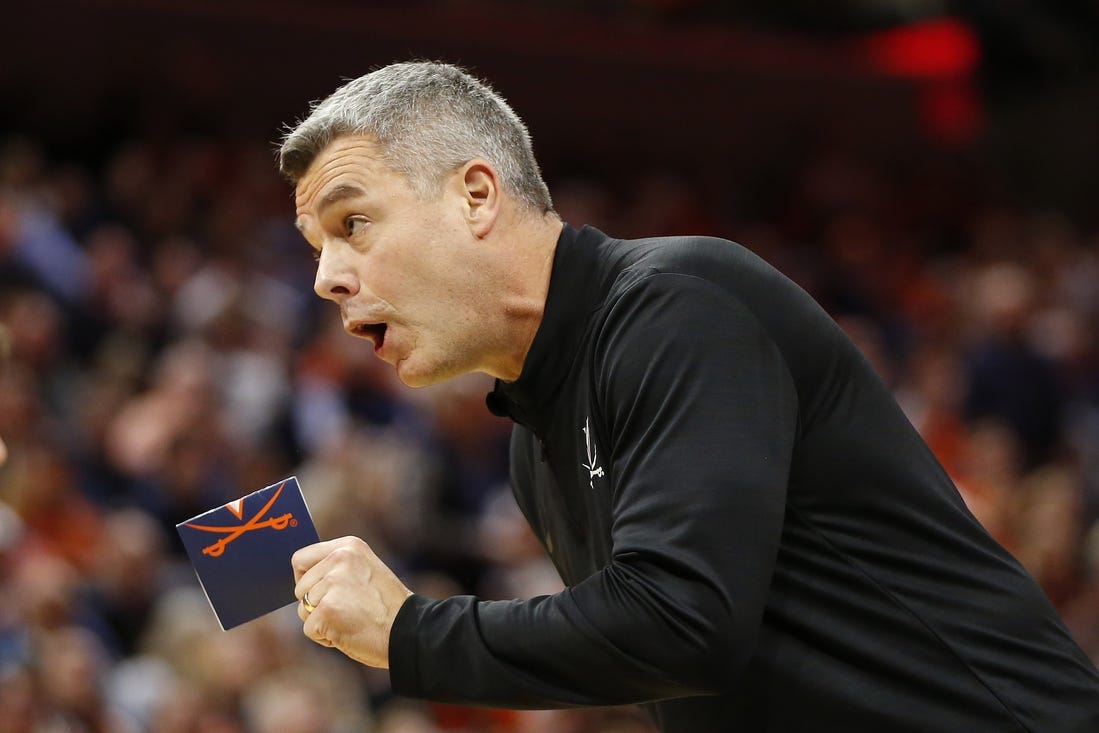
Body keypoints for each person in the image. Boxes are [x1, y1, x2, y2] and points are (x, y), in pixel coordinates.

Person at [280, 61, 1099, 732]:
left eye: (352, 224)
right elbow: (681, 674)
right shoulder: (533, 443)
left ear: (477, 195)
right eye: (316, 247)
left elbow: (682, 622)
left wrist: (408, 630)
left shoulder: (679, 302)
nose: (327, 277)